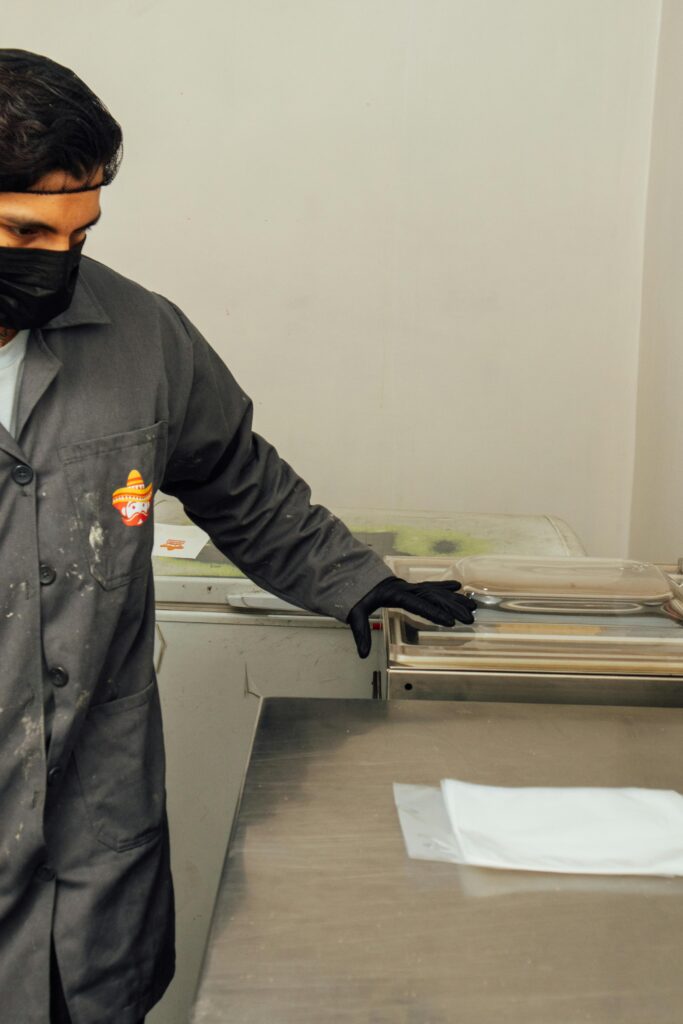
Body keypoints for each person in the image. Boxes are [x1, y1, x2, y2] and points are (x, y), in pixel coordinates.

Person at [0, 49, 476, 1024]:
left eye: (78, 234)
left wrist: (355, 580)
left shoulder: (142, 337)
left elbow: (235, 477)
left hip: (92, 851)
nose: (57, 261)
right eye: (22, 232)